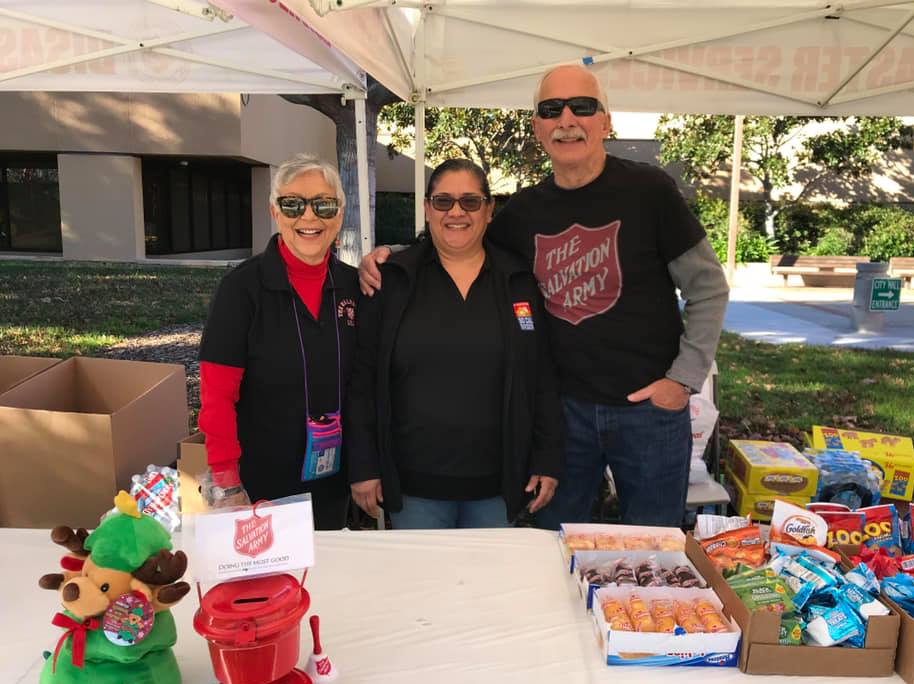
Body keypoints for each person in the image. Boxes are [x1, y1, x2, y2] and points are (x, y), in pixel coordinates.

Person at [359, 66, 729, 530]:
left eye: (582, 107)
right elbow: (460, 238)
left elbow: (708, 287)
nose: (566, 120)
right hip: (564, 413)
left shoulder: (650, 191)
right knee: (553, 544)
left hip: (647, 410)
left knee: (653, 541)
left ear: (605, 121)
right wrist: (394, 256)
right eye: (551, 110)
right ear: (537, 127)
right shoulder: (524, 212)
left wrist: (683, 379)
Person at [347, 158, 564, 529]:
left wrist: (547, 457)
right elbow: (362, 381)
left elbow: (541, 377)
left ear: (489, 210)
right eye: (443, 201)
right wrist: (364, 466)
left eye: (470, 201)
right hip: (415, 490)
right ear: (427, 208)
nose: (456, 212)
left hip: (498, 488)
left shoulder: (518, 281)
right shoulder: (392, 280)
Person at [198, 154, 359, 530]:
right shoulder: (241, 289)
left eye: (323, 205)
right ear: (274, 212)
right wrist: (226, 480)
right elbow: (216, 395)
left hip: (334, 479)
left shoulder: (353, 285)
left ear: (339, 214)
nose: (309, 217)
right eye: (292, 205)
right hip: (259, 484)